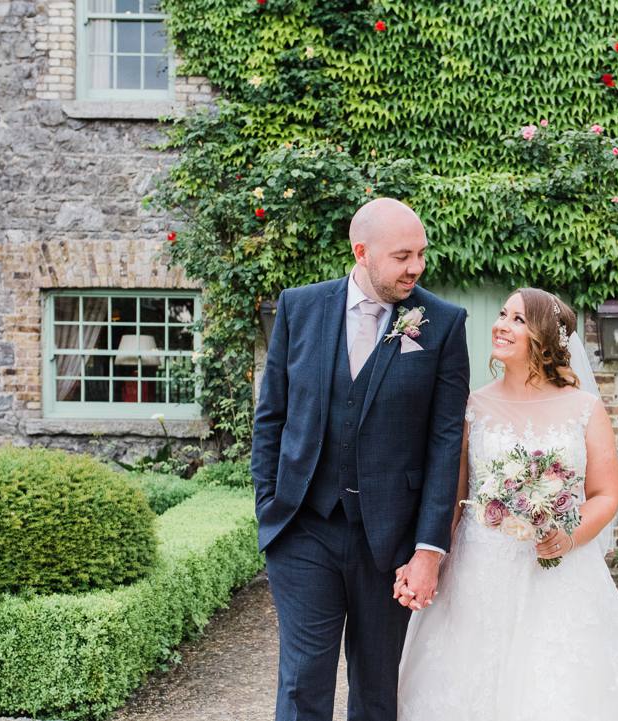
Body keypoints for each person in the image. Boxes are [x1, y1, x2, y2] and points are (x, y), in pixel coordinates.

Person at [395, 287, 618, 721]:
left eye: (518, 319)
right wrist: (426, 559)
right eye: (503, 314)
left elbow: (605, 495)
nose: (502, 324)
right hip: (477, 572)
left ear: (545, 337)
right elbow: (454, 498)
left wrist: (569, 536)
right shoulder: (473, 407)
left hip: (558, 572)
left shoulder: (584, 408)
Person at [251, 197, 470, 721]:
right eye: (402, 256)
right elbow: (271, 417)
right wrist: (269, 506)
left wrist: (428, 549)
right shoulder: (300, 308)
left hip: (390, 541)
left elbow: (446, 445)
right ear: (361, 251)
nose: (415, 267)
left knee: (376, 690)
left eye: (420, 254)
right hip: (304, 528)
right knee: (303, 681)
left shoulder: (441, 323)